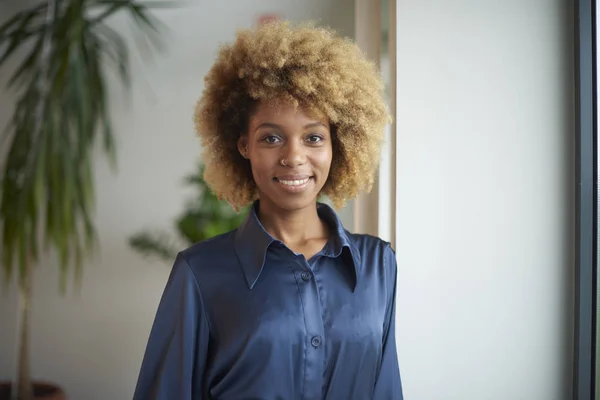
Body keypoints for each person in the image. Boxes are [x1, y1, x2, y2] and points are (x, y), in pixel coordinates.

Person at [133, 20, 402, 400]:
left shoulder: (378, 266)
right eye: (272, 138)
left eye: (313, 137)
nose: (294, 156)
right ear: (244, 145)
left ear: (337, 145)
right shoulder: (200, 273)